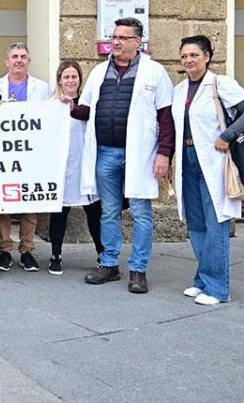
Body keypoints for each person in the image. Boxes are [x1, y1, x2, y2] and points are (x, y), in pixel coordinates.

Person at [68, 17, 174, 294]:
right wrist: (65, 107)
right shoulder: (99, 71)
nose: (115, 42)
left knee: (140, 212)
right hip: (105, 153)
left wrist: (164, 154)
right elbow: (86, 109)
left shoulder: (154, 72)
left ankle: (138, 269)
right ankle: (109, 263)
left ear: (137, 42)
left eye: (122, 38)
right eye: (113, 37)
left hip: (139, 154)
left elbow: (166, 117)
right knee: (109, 212)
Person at [173, 35, 244, 305]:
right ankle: (203, 279)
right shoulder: (179, 89)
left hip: (213, 160)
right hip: (187, 159)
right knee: (196, 223)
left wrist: (227, 135)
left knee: (216, 222)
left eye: (194, 55)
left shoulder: (221, 84)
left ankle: (219, 288)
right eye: (184, 56)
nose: (188, 60)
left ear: (208, 56)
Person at [0, 42, 52, 272]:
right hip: (4, 153)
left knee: (29, 202)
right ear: (7, 61)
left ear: (29, 61)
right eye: (14, 56)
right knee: (3, 203)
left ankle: (27, 250)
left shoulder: (42, 88)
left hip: (31, 154)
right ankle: (5, 251)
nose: (19, 60)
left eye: (23, 56)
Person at [48, 61, 103, 275]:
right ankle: (55, 255)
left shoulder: (89, 104)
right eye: (66, 77)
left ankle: (102, 253)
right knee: (60, 212)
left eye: (74, 77)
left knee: (94, 212)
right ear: (60, 80)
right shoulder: (51, 106)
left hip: (86, 165)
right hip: (64, 167)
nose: (71, 80)